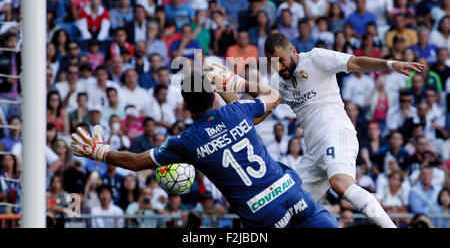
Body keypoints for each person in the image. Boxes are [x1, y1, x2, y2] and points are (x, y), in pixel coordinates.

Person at [71, 73, 339, 228]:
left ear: (186, 106)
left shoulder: (185, 141)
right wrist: (235, 82)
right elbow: (273, 96)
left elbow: (136, 162)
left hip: (260, 214)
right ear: (213, 96)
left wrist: (99, 151)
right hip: (290, 191)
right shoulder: (237, 110)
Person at [262, 33, 424, 228]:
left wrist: (389, 64)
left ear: (293, 51)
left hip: (336, 133)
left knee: (340, 183)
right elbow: (256, 115)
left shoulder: (315, 58)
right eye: (273, 63)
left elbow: (356, 63)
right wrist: (224, 91)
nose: (279, 67)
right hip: (314, 153)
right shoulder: (277, 82)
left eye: (281, 60)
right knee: (286, 210)